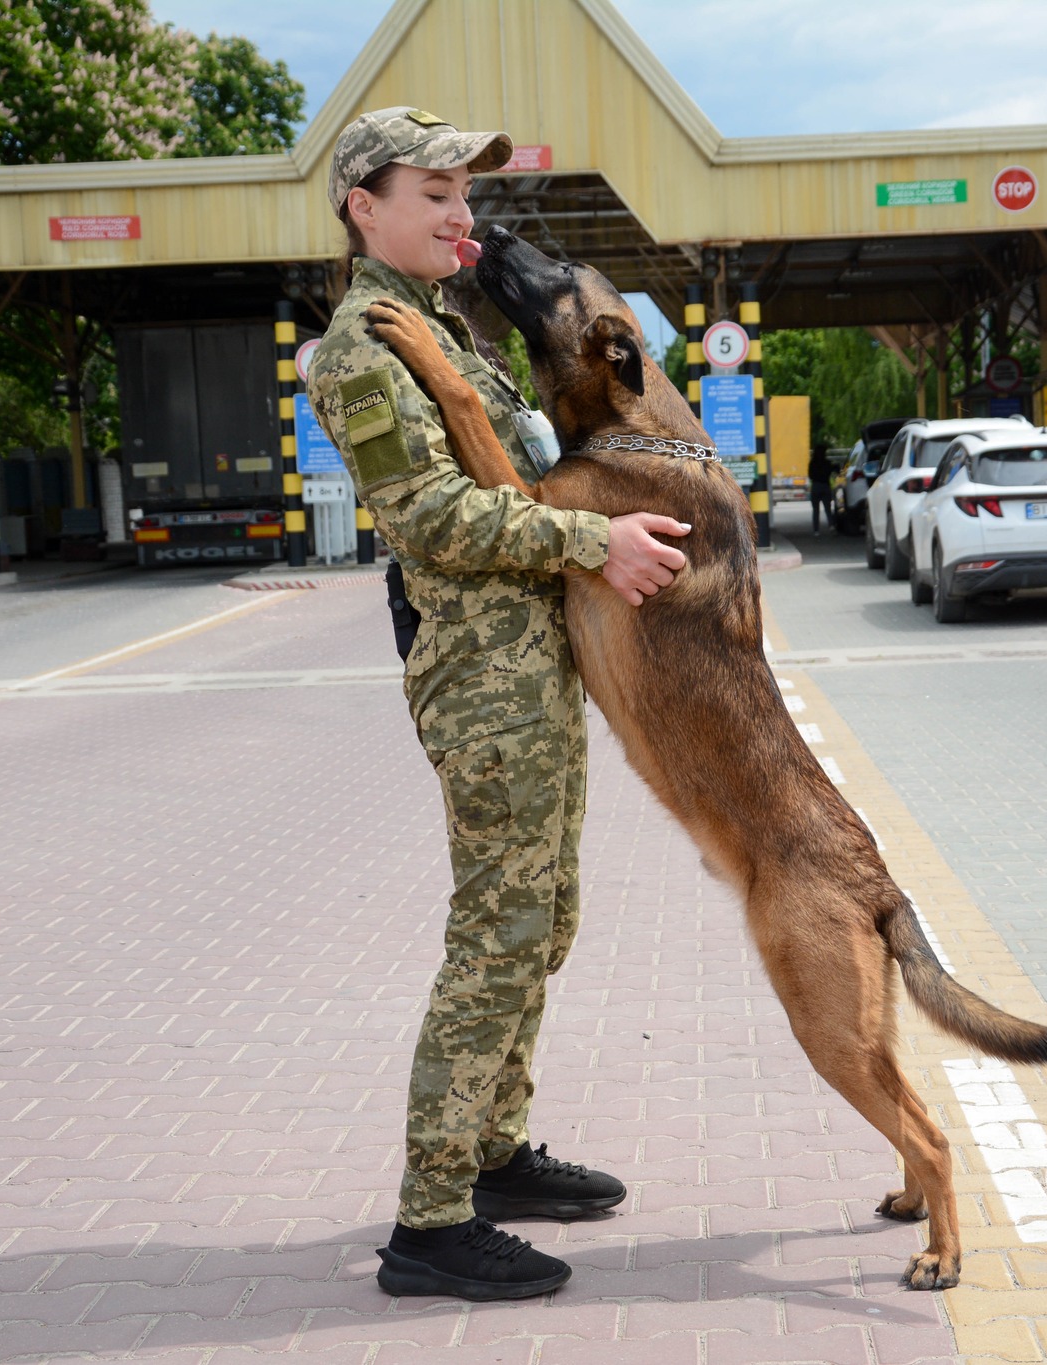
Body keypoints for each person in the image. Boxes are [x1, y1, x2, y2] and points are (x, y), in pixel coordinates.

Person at [309, 107, 692, 1302]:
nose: (459, 215)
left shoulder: (432, 326)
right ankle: (430, 1222)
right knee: (496, 936)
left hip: (529, 666)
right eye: (434, 193)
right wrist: (591, 542)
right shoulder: (361, 351)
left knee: (545, 915)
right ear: (363, 207)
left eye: (463, 195)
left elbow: (517, 453)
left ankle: (489, 1155)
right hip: (482, 677)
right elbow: (430, 516)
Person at [808, 441, 835, 535]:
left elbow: (810, 475)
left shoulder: (812, 463)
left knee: (816, 510)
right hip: (825, 486)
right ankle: (831, 526)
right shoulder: (827, 463)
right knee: (828, 508)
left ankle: (816, 530)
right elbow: (832, 471)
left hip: (815, 486)